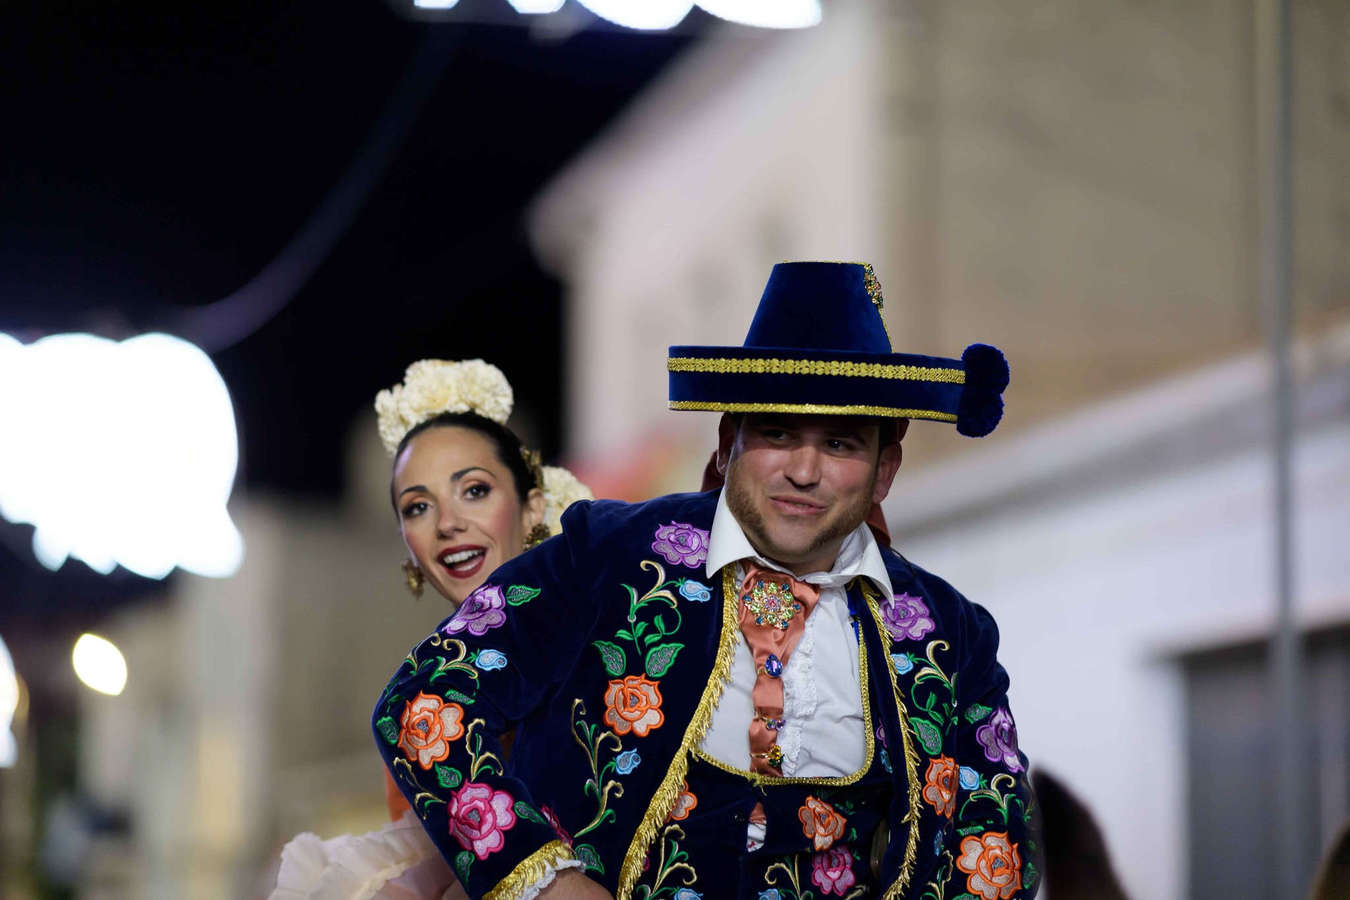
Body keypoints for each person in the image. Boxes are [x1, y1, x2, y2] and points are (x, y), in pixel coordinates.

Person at [373, 262, 1040, 899]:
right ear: (728, 442)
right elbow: (424, 702)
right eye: (777, 432)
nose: (804, 471)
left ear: (884, 471)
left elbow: (1000, 852)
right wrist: (546, 883)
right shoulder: (608, 555)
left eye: (840, 444)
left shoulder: (951, 635)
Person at [271, 360, 593, 900]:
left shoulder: (610, 636)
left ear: (532, 508)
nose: (447, 523)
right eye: (418, 506)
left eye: (475, 490)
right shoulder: (417, 701)